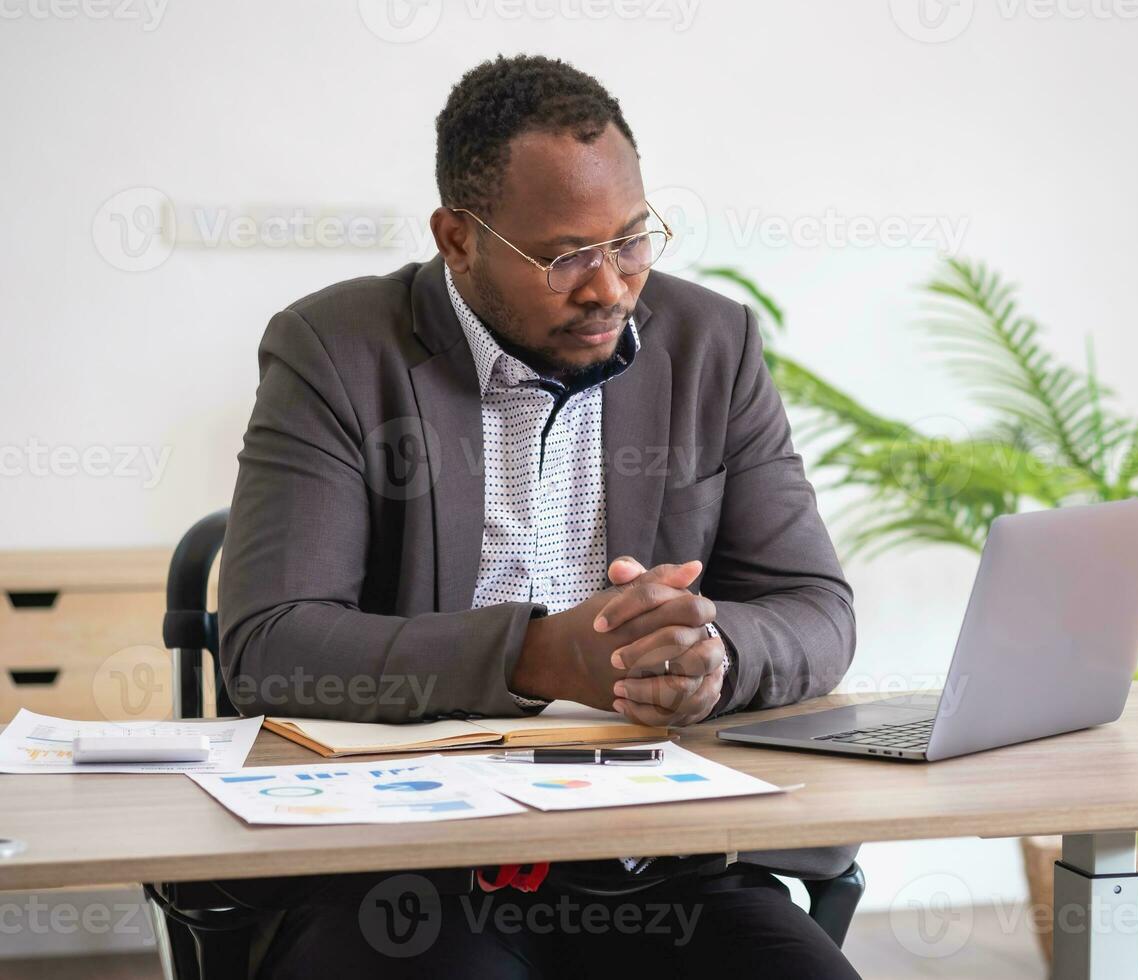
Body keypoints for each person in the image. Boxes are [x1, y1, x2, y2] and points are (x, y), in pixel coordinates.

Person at [219, 54, 859, 978]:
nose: (608, 286)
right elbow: (270, 644)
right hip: (412, 873)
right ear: (457, 239)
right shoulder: (337, 352)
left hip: (660, 861)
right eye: (563, 257)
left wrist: (711, 657)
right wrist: (533, 656)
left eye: (632, 239)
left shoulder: (712, 344)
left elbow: (816, 607)